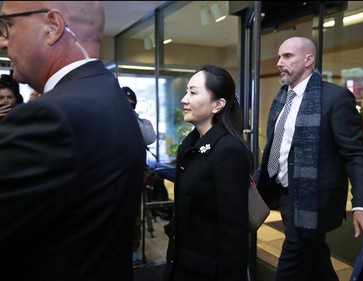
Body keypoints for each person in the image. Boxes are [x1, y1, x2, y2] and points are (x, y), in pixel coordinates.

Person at [0, 2, 146, 281]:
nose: (3, 41)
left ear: (53, 26)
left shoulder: (49, 116)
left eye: (9, 24)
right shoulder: (110, 95)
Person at [254, 36, 363, 281]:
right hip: (285, 195)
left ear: (309, 59)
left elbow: (355, 154)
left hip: (314, 200)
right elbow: (277, 147)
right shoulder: (282, 98)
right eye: (279, 56)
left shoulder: (336, 98)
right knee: (315, 256)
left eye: (287, 56)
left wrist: (361, 203)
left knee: (291, 259)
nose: (279, 62)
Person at [163, 64, 254, 281]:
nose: (184, 99)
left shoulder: (228, 150)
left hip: (208, 269)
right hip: (183, 260)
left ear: (218, 104)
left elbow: (234, 232)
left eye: (193, 92)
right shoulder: (191, 142)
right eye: (186, 91)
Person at [122, 86, 157, 266]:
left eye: (131, 103)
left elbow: (150, 138)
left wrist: (131, 116)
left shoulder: (142, 123)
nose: (129, 106)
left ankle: (134, 252)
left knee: (135, 218)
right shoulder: (112, 120)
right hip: (114, 180)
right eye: (125, 103)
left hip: (134, 178)